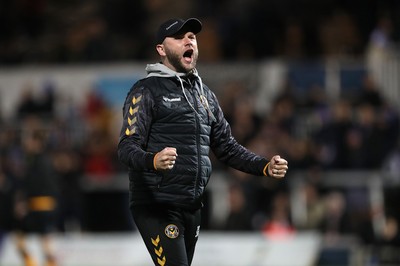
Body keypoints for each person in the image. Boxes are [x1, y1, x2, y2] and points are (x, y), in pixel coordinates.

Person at [117, 17, 289, 266]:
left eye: (192, 36)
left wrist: (263, 166)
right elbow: (126, 147)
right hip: (157, 205)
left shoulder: (205, 95)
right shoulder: (146, 91)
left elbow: (227, 148)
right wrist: (152, 160)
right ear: (161, 50)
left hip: (192, 206)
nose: (189, 40)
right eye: (179, 37)